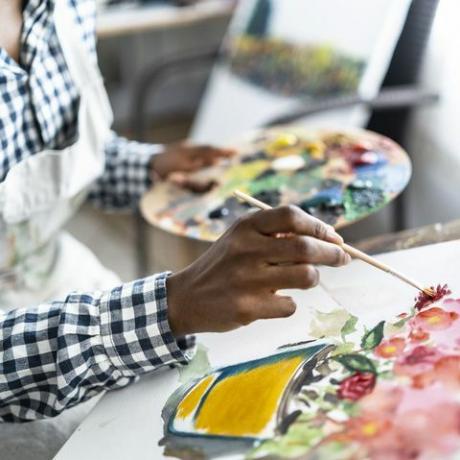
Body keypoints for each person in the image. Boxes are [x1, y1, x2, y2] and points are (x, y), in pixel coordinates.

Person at [0, 1, 351, 459]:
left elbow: (44, 159)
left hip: (58, 275)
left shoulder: (62, 8)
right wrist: (170, 307)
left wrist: (149, 168)